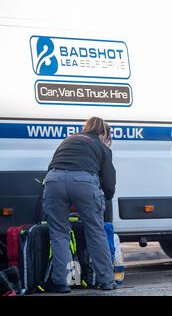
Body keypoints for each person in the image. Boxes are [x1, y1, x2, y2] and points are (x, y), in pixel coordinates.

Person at [43, 116, 116, 293]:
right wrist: (106, 196)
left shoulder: (69, 139)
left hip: (53, 180)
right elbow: (108, 181)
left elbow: (55, 164)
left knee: (59, 233)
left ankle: (62, 282)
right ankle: (106, 281)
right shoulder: (101, 147)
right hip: (83, 181)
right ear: (102, 134)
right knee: (95, 232)